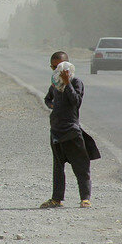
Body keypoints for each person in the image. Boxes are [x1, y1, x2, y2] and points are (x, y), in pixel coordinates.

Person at [40, 51, 100, 209]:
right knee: (58, 167)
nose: (55, 70)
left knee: (81, 165)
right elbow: (47, 99)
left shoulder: (75, 82)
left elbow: (75, 102)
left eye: (58, 67)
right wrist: (54, 107)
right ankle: (56, 199)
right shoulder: (55, 83)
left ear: (66, 67)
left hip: (71, 131)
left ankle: (85, 198)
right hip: (56, 131)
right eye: (52, 67)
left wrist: (67, 84)